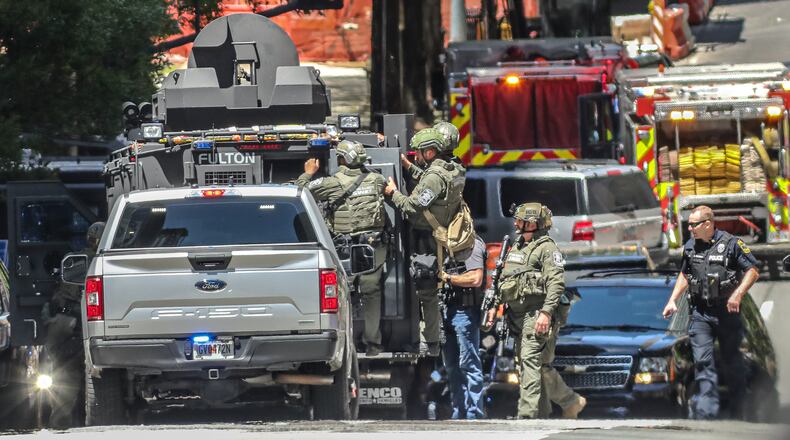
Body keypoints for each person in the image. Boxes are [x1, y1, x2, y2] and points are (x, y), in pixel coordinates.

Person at [662, 205, 759, 419]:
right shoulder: (690, 247)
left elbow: (752, 271)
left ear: (707, 224)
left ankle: (740, 410)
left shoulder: (732, 244)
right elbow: (685, 274)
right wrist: (672, 299)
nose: (690, 228)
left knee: (732, 361)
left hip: (727, 312)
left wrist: (738, 294)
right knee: (703, 363)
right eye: (689, 224)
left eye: (693, 224)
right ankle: (707, 416)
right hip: (701, 313)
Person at [296, 140, 388, 356]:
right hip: (373, 247)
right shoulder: (377, 179)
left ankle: (342, 345)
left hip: (345, 250)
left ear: (342, 160)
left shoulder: (332, 182)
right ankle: (373, 344)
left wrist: (308, 173)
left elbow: (299, 192)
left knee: (340, 296)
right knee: (371, 294)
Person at [386, 128, 467, 357]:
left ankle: (429, 341)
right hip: (436, 236)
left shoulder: (434, 176)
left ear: (430, 153)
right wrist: (408, 166)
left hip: (426, 240)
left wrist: (393, 193)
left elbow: (412, 205)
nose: (416, 156)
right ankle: (431, 337)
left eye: (419, 153)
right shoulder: (454, 167)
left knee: (426, 290)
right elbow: (432, 183)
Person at [484, 203, 565, 419]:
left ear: (533, 223)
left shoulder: (547, 249)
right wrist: (494, 306)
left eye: (520, 220)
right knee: (523, 364)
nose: (515, 223)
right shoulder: (517, 246)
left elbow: (556, 283)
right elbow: (504, 281)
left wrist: (546, 313)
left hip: (535, 313)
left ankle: (527, 415)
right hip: (516, 316)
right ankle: (542, 412)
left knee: (529, 359)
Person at [43, 221, 105, 428]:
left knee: (63, 375)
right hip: (75, 324)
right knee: (69, 376)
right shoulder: (92, 261)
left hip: (68, 323)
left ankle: (61, 422)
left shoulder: (76, 260)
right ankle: (63, 423)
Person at [439, 235, 486, 419]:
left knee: (469, 365)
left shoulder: (472, 244)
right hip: (446, 310)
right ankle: (459, 412)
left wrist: (447, 278)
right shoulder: (446, 245)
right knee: (451, 366)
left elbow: (476, 278)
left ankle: (475, 413)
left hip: (463, 312)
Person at [541, 292, 586, 418]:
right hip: (525, 315)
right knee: (530, 366)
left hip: (544, 316)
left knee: (538, 364)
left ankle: (570, 401)